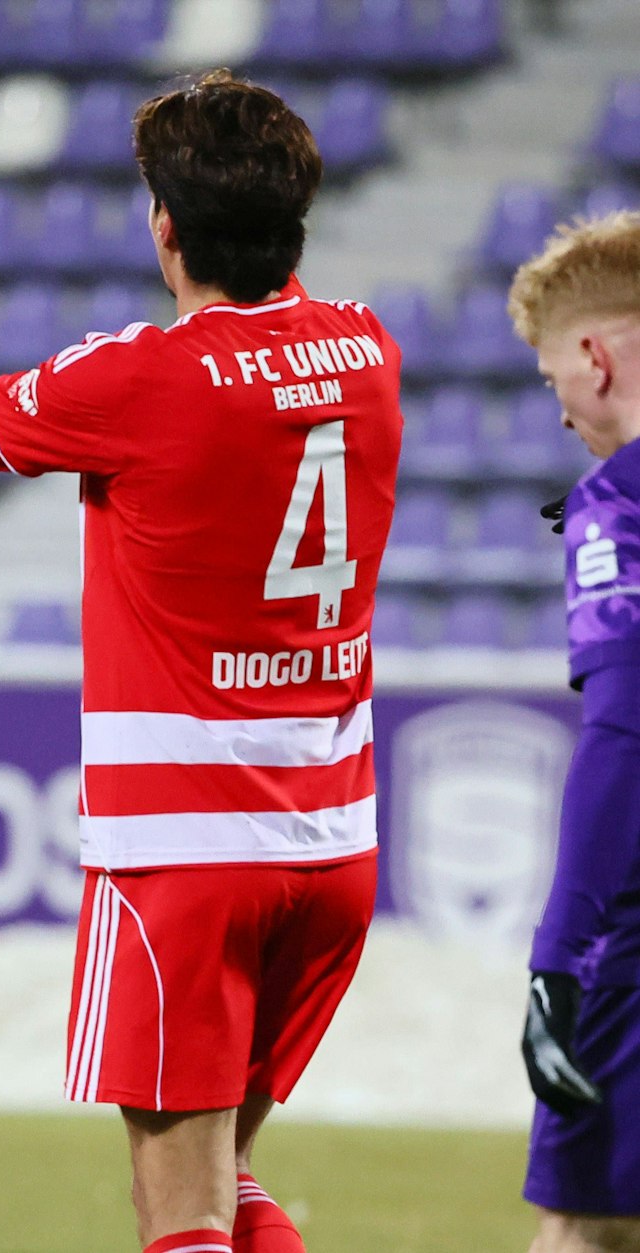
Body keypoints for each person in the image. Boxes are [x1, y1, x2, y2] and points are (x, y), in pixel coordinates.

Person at [0, 72, 401, 1253]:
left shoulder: (142, 377)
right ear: (294, 216)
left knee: (179, 1213)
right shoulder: (366, 352)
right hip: (333, 842)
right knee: (230, 1182)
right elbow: (275, 350)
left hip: (183, 856)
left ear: (164, 226)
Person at [510, 209, 640, 1253]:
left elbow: (622, 732)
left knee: (582, 1223)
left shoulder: (619, 500)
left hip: (630, 948)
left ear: (594, 355)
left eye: (553, 377)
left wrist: (559, 955)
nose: (560, 411)